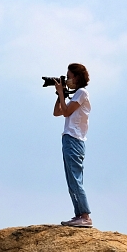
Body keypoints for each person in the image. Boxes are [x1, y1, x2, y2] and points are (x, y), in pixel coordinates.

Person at [53, 63, 92, 228]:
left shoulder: (82, 93)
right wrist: (59, 94)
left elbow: (67, 112)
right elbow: (58, 112)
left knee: (75, 180)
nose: (67, 79)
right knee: (72, 180)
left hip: (74, 140)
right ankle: (79, 215)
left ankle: (85, 216)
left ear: (76, 77)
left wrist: (63, 92)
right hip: (70, 139)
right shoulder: (75, 95)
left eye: (68, 76)